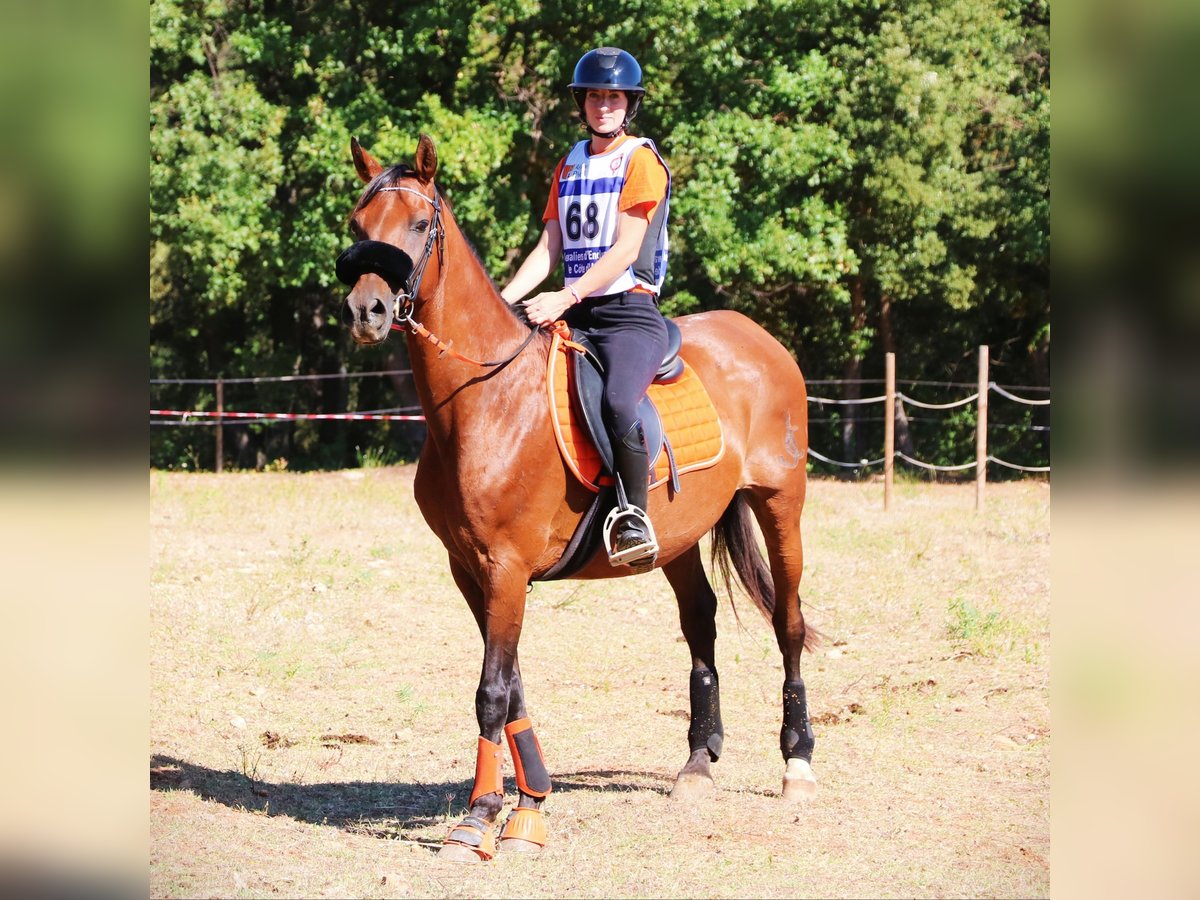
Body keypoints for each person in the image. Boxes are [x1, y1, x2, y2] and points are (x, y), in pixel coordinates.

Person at [501, 46, 671, 571]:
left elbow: (625, 248)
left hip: (628, 314)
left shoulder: (642, 160)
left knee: (619, 402)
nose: (604, 105)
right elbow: (549, 247)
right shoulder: (569, 163)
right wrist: (502, 301)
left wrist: (566, 295)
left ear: (629, 104)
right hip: (575, 313)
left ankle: (635, 517)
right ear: (582, 102)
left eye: (613, 96)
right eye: (595, 96)